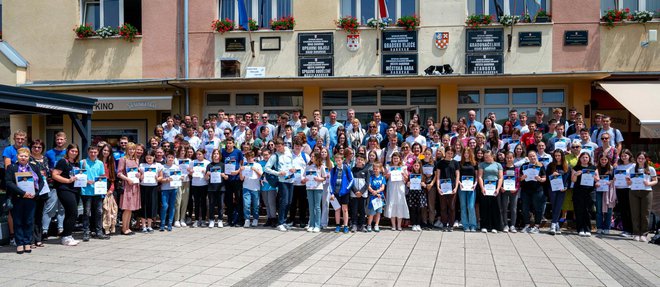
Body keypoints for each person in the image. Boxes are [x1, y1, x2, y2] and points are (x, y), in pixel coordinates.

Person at [6, 147, 44, 254]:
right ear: (17, 156)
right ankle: (19, 243)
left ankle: (27, 242)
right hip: (17, 198)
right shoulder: (12, 167)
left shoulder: (34, 167)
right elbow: (8, 182)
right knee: (18, 221)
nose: (23, 158)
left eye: (25, 156)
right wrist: (23, 193)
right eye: (21, 155)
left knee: (29, 221)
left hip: (31, 199)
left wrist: (36, 193)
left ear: (28, 157)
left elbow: (41, 181)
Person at [51, 144, 82, 245]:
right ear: (68, 151)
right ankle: (66, 237)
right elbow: (54, 175)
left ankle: (68, 235)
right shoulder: (63, 161)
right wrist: (68, 181)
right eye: (72, 151)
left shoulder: (76, 163)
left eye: (76, 151)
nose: (74, 153)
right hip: (64, 189)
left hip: (75, 190)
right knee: (73, 212)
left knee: (70, 213)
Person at [265, 138, 295, 232]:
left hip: (291, 180)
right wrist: (278, 173)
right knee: (284, 201)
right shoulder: (274, 156)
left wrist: (293, 169)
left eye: (279, 146)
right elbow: (266, 168)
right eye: (276, 147)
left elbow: (291, 164)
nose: (278, 148)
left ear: (283, 145)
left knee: (289, 202)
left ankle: (284, 221)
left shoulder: (289, 152)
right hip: (282, 181)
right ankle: (280, 222)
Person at [80, 146, 108, 241]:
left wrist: (101, 182)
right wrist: (86, 180)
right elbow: (79, 175)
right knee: (87, 212)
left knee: (99, 212)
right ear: (88, 152)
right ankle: (86, 232)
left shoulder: (100, 163)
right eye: (91, 152)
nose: (93, 154)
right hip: (86, 191)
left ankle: (99, 232)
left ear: (97, 153)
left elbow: (102, 175)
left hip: (97, 191)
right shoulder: (82, 162)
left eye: (95, 152)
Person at [629, 152, 657, 242]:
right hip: (634, 191)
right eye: (639, 158)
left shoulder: (651, 169)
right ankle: (636, 233)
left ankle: (644, 234)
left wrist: (649, 183)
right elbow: (629, 182)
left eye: (642, 158)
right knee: (635, 213)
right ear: (636, 159)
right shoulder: (632, 168)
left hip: (647, 192)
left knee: (645, 214)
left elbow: (655, 181)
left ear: (646, 159)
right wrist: (628, 181)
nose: (640, 160)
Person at [571, 152, 599, 237]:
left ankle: (588, 229)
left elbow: (597, 179)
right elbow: (573, 180)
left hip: (590, 192)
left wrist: (594, 177)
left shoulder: (593, 168)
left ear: (589, 159)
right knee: (579, 210)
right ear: (580, 159)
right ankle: (580, 229)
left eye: (586, 157)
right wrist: (576, 174)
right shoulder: (576, 168)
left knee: (588, 210)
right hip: (578, 192)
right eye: (583, 157)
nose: (584, 159)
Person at [116, 143, 141, 235]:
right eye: (130, 149)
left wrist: (139, 175)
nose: (132, 151)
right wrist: (127, 179)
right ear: (126, 150)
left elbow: (139, 173)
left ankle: (127, 227)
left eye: (133, 149)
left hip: (135, 186)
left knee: (130, 208)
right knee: (127, 208)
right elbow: (119, 173)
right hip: (127, 186)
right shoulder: (123, 159)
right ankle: (124, 228)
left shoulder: (136, 160)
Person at [29, 140, 49, 247]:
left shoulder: (44, 158)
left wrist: (45, 174)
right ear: (31, 147)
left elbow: (48, 172)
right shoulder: (28, 159)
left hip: (43, 189)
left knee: (39, 215)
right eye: (35, 147)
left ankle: (39, 238)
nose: (37, 149)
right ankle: (31, 240)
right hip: (32, 190)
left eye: (39, 147)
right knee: (31, 215)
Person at [478, 150, 503, 233]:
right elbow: (480, 177)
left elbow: (500, 177)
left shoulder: (498, 165)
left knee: (495, 207)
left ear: (492, 156)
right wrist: (482, 188)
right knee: (485, 206)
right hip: (485, 186)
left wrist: (498, 188)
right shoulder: (482, 165)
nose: (485, 158)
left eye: (487, 156)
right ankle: (485, 226)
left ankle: (495, 226)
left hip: (495, 186)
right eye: (484, 157)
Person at [221, 137, 244, 226]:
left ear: (233, 144)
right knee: (228, 200)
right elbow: (221, 164)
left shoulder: (238, 152)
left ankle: (240, 220)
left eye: (230, 143)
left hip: (236, 179)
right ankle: (229, 220)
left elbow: (241, 164)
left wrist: (237, 172)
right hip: (227, 179)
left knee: (238, 199)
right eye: (227, 143)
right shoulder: (223, 152)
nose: (228, 145)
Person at [435, 148, 459, 231]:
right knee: (443, 207)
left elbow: (457, 176)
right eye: (448, 153)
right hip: (443, 187)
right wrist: (438, 187)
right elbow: (438, 176)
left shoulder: (455, 163)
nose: (450, 154)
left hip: (452, 187)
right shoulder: (440, 163)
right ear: (445, 153)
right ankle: (444, 224)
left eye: (451, 153)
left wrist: (456, 187)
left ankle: (451, 224)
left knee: (452, 207)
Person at [546, 149, 570, 235]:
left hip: (562, 189)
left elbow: (568, 179)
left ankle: (553, 225)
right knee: (554, 205)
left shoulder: (566, 166)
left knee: (559, 206)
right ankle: (555, 224)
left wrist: (566, 187)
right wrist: (552, 175)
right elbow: (546, 178)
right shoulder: (550, 165)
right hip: (552, 188)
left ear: (562, 156)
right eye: (555, 156)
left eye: (559, 155)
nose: (557, 157)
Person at [384, 152, 409, 231]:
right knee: (392, 203)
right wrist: (388, 175)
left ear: (400, 159)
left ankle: (399, 225)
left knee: (400, 204)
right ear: (392, 159)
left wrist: (403, 174)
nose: (395, 160)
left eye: (397, 158)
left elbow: (406, 179)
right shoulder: (388, 167)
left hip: (400, 187)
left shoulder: (403, 167)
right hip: (391, 187)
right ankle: (393, 225)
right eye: (394, 158)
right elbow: (385, 178)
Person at [330, 153, 354, 234]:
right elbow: (330, 182)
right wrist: (331, 193)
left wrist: (347, 189)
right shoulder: (333, 170)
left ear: (342, 160)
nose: (338, 162)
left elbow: (351, 180)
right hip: (335, 193)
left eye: (339, 160)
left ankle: (345, 226)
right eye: (336, 161)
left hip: (344, 193)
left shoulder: (346, 168)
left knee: (345, 209)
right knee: (337, 209)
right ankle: (337, 225)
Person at [302, 151, 326, 233]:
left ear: (317, 157)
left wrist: (319, 179)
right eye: (311, 156)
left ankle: (317, 225)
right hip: (309, 187)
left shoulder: (321, 166)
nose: (311, 158)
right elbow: (304, 176)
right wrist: (305, 179)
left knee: (317, 207)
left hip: (318, 188)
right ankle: (311, 224)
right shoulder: (308, 166)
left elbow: (325, 178)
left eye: (313, 156)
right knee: (311, 207)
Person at [288, 140, 309, 228]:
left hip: (302, 184)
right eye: (296, 145)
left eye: (299, 145)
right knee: (292, 203)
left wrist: (306, 179)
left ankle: (302, 220)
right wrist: (290, 170)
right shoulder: (289, 156)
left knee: (302, 204)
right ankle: (291, 220)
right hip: (292, 183)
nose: (297, 147)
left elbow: (310, 168)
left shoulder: (305, 156)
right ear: (293, 146)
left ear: (302, 147)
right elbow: (286, 167)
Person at [614, 149, 635, 238]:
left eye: (625, 155)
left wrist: (630, 180)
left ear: (629, 156)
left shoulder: (633, 166)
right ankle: (625, 229)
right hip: (619, 189)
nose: (624, 157)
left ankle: (631, 230)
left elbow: (636, 177)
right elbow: (616, 177)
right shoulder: (619, 166)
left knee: (629, 210)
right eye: (622, 156)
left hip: (628, 189)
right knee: (622, 210)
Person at [99, 143, 117, 236]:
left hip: (108, 186)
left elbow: (112, 177)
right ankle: (98, 228)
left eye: (108, 151)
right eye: (104, 150)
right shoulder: (97, 161)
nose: (105, 152)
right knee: (98, 209)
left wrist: (111, 189)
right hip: (97, 186)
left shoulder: (111, 162)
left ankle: (106, 227)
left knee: (108, 209)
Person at [499, 151, 519, 233]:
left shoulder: (516, 169)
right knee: (504, 208)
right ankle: (505, 225)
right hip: (504, 190)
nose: (509, 159)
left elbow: (518, 180)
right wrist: (501, 187)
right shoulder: (502, 168)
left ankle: (513, 225)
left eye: (511, 158)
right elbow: (499, 178)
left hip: (514, 191)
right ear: (505, 158)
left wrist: (516, 188)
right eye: (507, 158)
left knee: (513, 208)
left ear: (513, 158)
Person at [595, 154, 614, 235]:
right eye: (602, 159)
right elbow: (593, 179)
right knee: (599, 210)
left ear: (608, 160)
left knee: (609, 210)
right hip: (599, 190)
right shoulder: (596, 169)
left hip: (608, 191)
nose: (603, 161)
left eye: (605, 159)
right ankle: (599, 227)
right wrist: (596, 183)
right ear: (599, 160)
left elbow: (614, 179)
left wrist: (610, 182)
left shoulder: (612, 168)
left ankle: (606, 227)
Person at [159, 151, 179, 232]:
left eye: (172, 157)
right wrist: (166, 180)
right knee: (164, 206)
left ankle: (170, 223)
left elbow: (178, 177)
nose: (170, 159)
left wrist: (180, 178)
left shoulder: (176, 167)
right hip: (165, 189)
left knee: (172, 206)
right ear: (166, 158)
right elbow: (160, 179)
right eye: (169, 157)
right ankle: (162, 223)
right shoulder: (162, 167)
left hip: (174, 189)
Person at [190, 149, 210, 227]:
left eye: (200, 154)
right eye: (197, 154)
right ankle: (197, 220)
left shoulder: (207, 163)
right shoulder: (193, 162)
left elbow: (208, 176)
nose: (198, 156)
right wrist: (191, 172)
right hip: (195, 184)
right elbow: (190, 173)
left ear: (204, 154)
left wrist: (205, 172)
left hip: (204, 184)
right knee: (197, 202)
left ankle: (204, 220)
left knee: (203, 202)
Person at [406, 160, 428, 232]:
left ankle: (418, 224)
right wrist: (408, 184)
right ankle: (413, 224)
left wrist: (424, 185)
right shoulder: (410, 175)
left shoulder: (423, 175)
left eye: (417, 165)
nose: (416, 167)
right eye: (415, 165)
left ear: (420, 166)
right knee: (413, 209)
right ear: (413, 166)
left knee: (419, 209)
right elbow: (407, 185)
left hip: (420, 194)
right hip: (412, 194)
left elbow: (425, 185)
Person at [259, 150, 278, 227]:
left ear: (270, 155)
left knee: (271, 203)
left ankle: (274, 218)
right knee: (266, 204)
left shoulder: (273, 163)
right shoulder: (260, 163)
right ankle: (269, 218)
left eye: (267, 155)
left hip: (271, 186)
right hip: (263, 186)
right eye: (264, 155)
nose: (265, 156)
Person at [174, 146, 191, 227]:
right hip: (178, 182)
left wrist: (190, 172)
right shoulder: (175, 160)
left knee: (185, 200)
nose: (183, 152)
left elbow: (192, 172)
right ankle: (176, 219)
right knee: (178, 201)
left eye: (184, 150)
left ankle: (182, 218)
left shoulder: (189, 160)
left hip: (187, 181)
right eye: (181, 150)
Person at [366, 162, 386, 232]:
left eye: (376, 169)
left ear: (380, 169)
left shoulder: (382, 178)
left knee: (378, 212)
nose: (375, 170)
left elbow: (383, 187)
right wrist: (373, 192)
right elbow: (368, 186)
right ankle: (369, 225)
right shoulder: (371, 177)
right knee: (371, 213)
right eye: (374, 169)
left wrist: (377, 192)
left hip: (379, 197)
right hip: (372, 197)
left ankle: (376, 225)